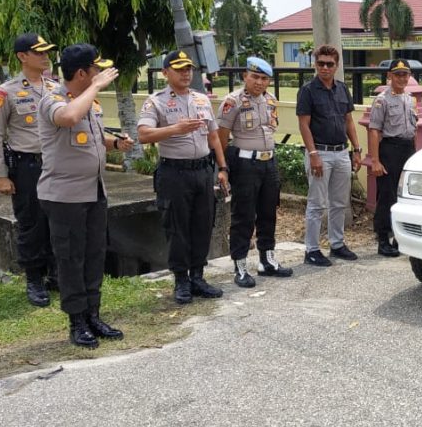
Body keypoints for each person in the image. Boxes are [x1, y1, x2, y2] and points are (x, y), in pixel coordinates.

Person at [37, 44, 132, 348]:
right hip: (65, 197)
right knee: (71, 258)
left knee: (94, 255)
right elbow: (68, 118)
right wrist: (95, 87)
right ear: (82, 73)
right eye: (96, 69)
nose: (101, 74)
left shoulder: (90, 102)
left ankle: (93, 315)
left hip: (94, 191)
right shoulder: (52, 99)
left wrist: (115, 144)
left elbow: (93, 135)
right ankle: (77, 321)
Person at [137, 50, 229, 303]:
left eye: (188, 69)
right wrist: (175, 129)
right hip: (174, 173)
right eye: (179, 69)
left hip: (202, 171)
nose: (186, 73)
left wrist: (223, 169)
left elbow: (213, 137)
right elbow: (143, 135)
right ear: (165, 73)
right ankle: (181, 280)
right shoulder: (155, 102)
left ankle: (198, 277)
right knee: (177, 228)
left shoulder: (201, 99)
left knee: (203, 224)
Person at [0, 33, 60, 307]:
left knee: (58, 220)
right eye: (39, 52)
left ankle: (57, 274)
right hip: (27, 166)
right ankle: (35, 279)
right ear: (22, 56)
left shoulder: (56, 88)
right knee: (32, 224)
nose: (45, 56)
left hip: (57, 165)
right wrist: (0, 175)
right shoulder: (6, 92)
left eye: (46, 52)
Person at [216, 57, 293, 287]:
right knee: (244, 216)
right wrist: (223, 168)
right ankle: (240, 266)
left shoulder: (270, 100)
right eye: (255, 77)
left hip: (269, 163)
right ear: (245, 76)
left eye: (264, 79)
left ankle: (267, 260)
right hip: (245, 164)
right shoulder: (232, 101)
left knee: (268, 212)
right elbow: (221, 137)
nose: (259, 82)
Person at [296, 44, 363, 266]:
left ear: (336, 66)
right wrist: (313, 154)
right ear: (315, 65)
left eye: (329, 64)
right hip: (320, 152)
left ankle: (337, 244)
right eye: (320, 63)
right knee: (316, 204)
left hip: (341, 152)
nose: (325, 68)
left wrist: (356, 149)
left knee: (339, 202)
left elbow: (348, 121)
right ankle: (312, 250)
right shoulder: (307, 91)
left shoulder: (342, 89)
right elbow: (304, 125)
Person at [367, 59, 418, 257]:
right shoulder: (382, 100)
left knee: (405, 196)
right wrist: (375, 160)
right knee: (387, 196)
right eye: (397, 74)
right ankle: (383, 239)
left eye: (405, 74)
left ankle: (400, 237)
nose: (402, 78)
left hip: (407, 149)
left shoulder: (410, 99)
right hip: (390, 150)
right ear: (389, 76)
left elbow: (414, 129)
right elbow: (374, 130)